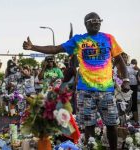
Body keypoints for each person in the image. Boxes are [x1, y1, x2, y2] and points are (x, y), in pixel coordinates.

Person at [23, 12, 130, 150]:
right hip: (85, 91)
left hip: (107, 90)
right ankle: (90, 147)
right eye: (92, 20)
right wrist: (33, 47)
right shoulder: (79, 40)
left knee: (112, 125)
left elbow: (120, 60)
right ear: (86, 23)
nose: (96, 22)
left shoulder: (108, 38)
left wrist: (126, 79)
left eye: (99, 20)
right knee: (89, 126)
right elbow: (56, 49)